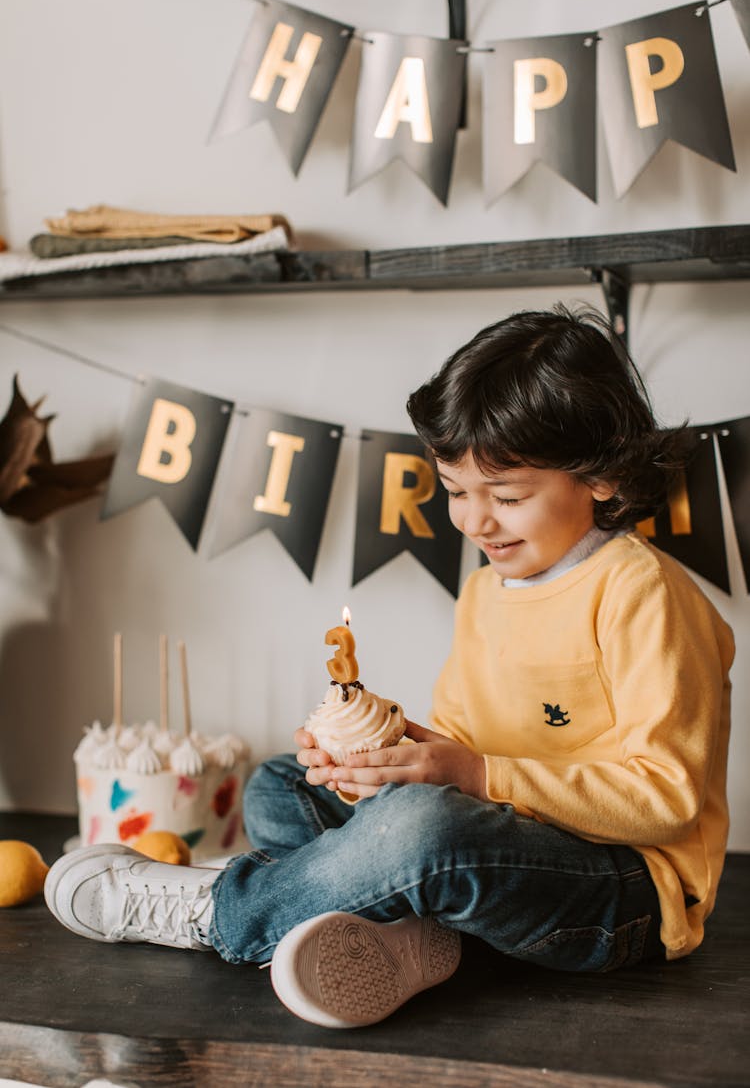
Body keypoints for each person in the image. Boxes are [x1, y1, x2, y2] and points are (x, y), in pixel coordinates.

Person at [44, 304, 734, 1030]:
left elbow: (666, 795)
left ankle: (222, 910)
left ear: (598, 476)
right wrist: (379, 756)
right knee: (282, 787)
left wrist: (471, 778)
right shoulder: (484, 592)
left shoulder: (643, 593)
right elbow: (463, 749)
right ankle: (411, 932)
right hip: (499, 843)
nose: (474, 521)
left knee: (421, 832)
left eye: (507, 496)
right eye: (457, 490)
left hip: (624, 891)